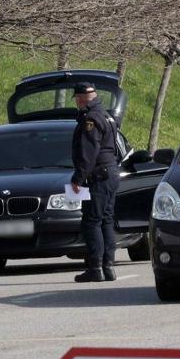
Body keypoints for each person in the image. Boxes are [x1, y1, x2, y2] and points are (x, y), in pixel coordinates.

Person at [70, 82, 121, 283]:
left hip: (99, 174)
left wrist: (78, 178)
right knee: (106, 220)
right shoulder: (106, 115)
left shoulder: (90, 118)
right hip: (111, 172)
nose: (76, 102)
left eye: (76, 99)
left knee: (92, 221)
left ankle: (95, 267)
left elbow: (88, 151)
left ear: (81, 98)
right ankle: (108, 267)